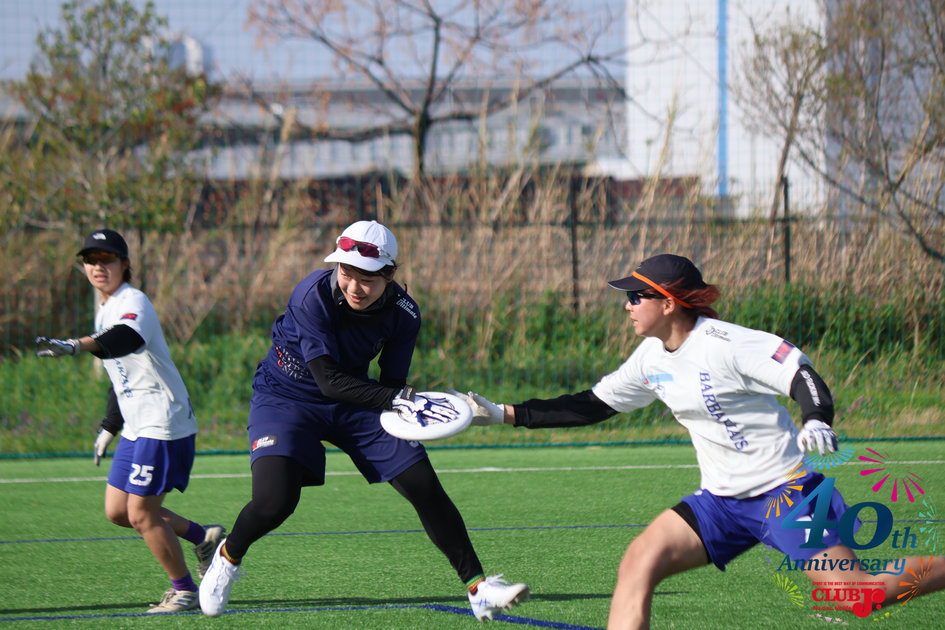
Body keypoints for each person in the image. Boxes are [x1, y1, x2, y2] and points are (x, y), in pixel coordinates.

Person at [460, 254, 945, 629]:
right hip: (721, 503)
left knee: (858, 596)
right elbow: (593, 405)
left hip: (788, 492)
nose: (627, 305)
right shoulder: (651, 357)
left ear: (668, 303)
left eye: (636, 297)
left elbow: (800, 373)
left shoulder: (726, 343)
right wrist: (502, 414)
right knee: (639, 561)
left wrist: (817, 418)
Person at [198, 220, 529, 621]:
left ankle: (478, 588)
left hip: (354, 400)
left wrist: (420, 413)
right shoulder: (311, 295)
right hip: (286, 396)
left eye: (368, 278)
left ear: (391, 275)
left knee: (423, 484)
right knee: (275, 502)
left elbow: (391, 384)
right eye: (346, 272)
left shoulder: (406, 313)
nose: (355, 286)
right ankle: (227, 557)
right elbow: (328, 380)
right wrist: (401, 400)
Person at [35, 228, 225, 613]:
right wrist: (109, 426)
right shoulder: (106, 307)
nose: (97, 266)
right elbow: (119, 372)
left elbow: (124, 340)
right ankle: (203, 538)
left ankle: (185, 591)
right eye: (90, 260)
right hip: (137, 426)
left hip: (162, 422)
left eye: (106, 259)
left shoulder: (133, 301)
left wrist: (75, 345)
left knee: (141, 513)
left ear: (125, 264)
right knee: (118, 511)